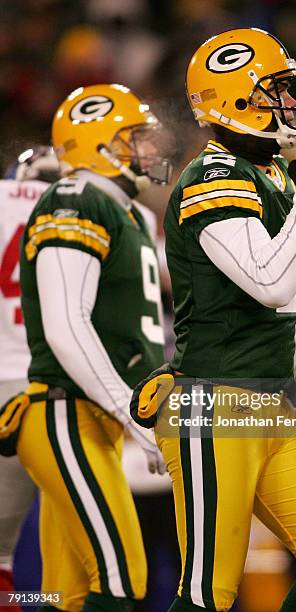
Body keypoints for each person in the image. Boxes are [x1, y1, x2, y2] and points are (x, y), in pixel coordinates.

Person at [131, 28, 296, 611]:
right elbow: (271, 281)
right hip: (213, 403)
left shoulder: (269, 174)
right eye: (274, 89)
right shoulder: (213, 179)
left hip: (265, 399)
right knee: (210, 592)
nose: (287, 103)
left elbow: (270, 307)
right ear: (236, 98)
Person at [15, 84, 171, 612]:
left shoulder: (126, 213)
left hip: (89, 417)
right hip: (67, 412)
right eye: (134, 139)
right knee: (122, 577)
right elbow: (65, 325)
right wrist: (134, 413)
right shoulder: (74, 198)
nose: (148, 151)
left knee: (63, 593)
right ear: (97, 144)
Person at [0, 147, 60, 611]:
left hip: (4, 382)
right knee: (86, 544)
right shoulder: (86, 208)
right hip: (61, 385)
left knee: (2, 556)